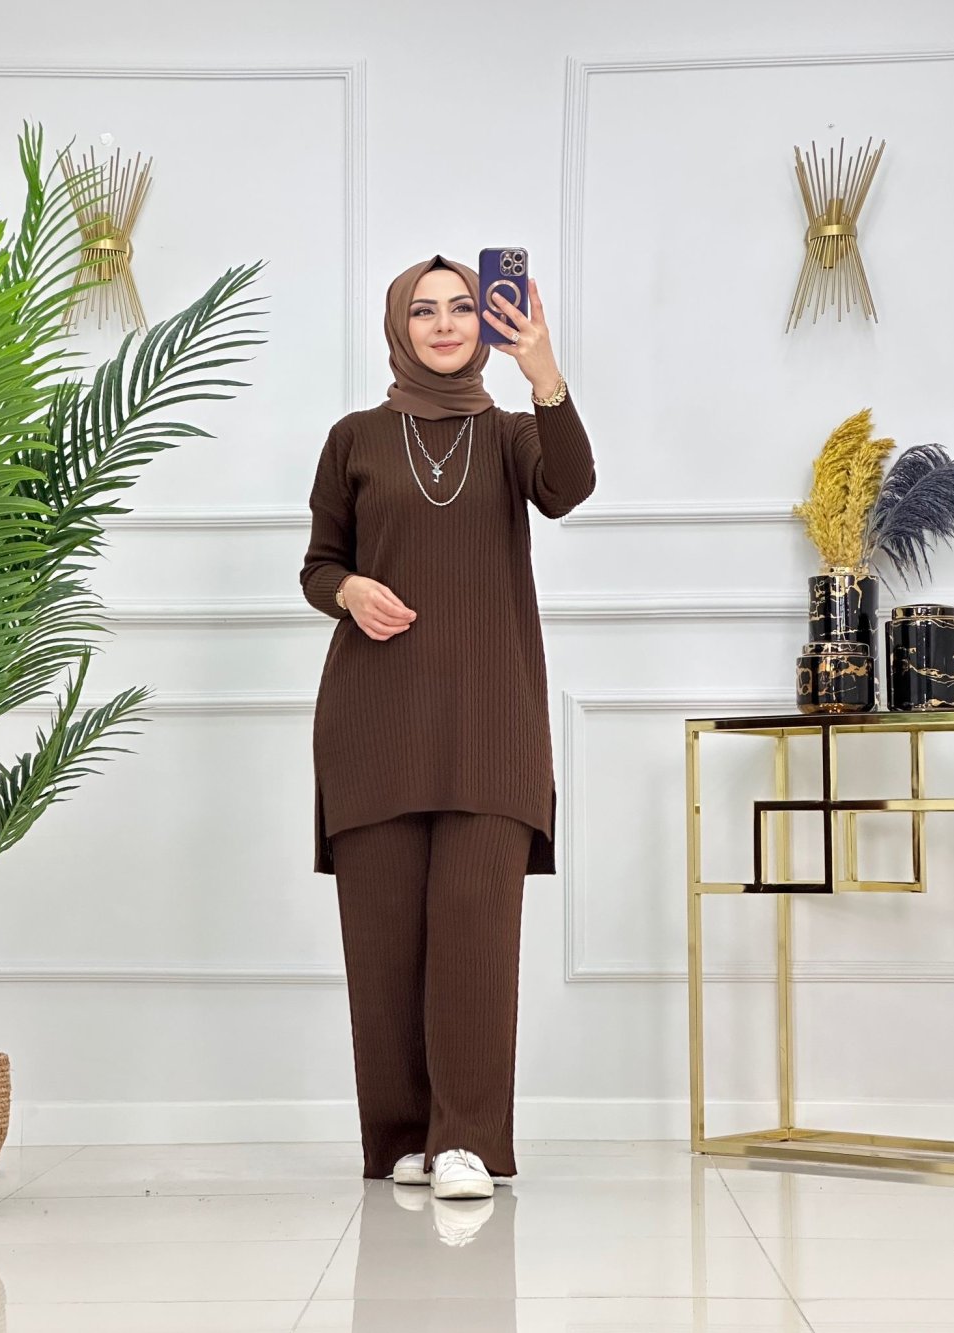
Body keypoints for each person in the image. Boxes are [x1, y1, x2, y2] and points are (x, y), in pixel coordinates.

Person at [299, 254, 596, 1200]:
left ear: (484, 325)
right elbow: (318, 564)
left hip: (491, 725)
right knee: (383, 942)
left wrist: (543, 372)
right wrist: (349, 589)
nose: (443, 323)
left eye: (462, 307)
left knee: (476, 941)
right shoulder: (354, 438)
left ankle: (466, 1140)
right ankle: (398, 1135)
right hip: (374, 721)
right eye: (423, 310)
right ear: (399, 326)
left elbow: (569, 487)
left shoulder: (511, 434)